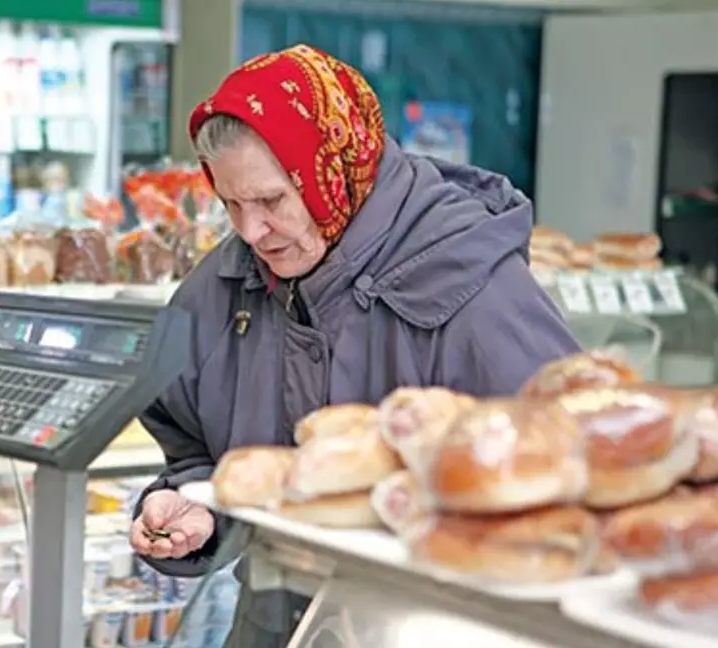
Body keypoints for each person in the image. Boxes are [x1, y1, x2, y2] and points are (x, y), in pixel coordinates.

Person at [128, 44, 581, 646]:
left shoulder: (468, 283)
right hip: (276, 622)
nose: (250, 231)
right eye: (230, 204)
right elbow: (192, 446)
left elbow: (568, 467)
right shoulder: (222, 284)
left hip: (438, 626)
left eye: (270, 201)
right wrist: (197, 511)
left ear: (334, 169)